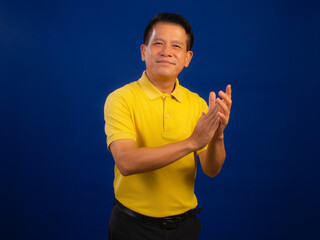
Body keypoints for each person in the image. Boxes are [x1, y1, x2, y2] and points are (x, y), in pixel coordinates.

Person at [104, 12, 232, 240]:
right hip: (132, 227)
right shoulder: (120, 98)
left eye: (176, 46)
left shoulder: (197, 103)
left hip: (185, 227)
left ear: (187, 58)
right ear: (144, 52)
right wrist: (192, 142)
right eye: (158, 44)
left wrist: (218, 136)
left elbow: (211, 170)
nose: (167, 52)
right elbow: (126, 162)